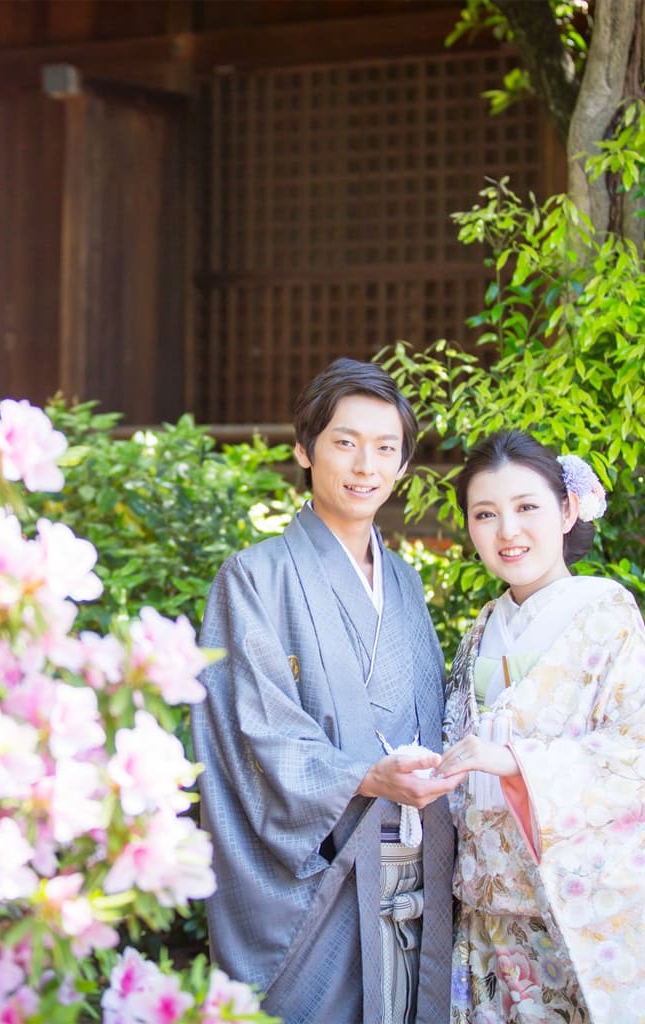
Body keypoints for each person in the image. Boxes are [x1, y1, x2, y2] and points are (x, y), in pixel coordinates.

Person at [191, 357, 461, 1024]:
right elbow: (256, 731)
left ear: (402, 468)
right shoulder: (253, 578)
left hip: (413, 873)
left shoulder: (405, 584)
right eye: (345, 442)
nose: (366, 464)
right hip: (325, 877)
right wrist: (366, 776)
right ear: (304, 449)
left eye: (386, 448)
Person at [438, 428, 645, 1024]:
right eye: (486, 514)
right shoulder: (481, 631)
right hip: (486, 917)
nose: (508, 531)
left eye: (527, 507)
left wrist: (516, 761)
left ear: (566, 510)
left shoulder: (607, 620)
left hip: (575, 919)